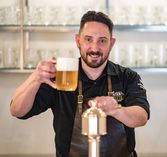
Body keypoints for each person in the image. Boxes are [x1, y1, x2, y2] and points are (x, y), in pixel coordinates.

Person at [10, 11, 150, 157]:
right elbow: (17, 111)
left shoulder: (127, 77)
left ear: (112, 43)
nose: (95, 48)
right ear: (78, 41)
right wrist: (36, 78)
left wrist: (116, 110)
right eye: (88, 39)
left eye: (102, 40)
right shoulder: (61, 75)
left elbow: (141, 117)